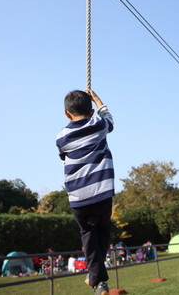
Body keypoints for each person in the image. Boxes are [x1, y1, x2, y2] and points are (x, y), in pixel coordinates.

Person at [56, 89, 114, 295]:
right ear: (91, 112)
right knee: (104, 228)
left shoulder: (61, 137)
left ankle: (98, 280)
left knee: (88, 233)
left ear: (66, 113)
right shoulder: (98, 125)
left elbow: (63, 157)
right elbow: (109, 119)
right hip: (102, 194)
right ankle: (97, 278)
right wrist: (97, 99)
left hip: (79, 198)